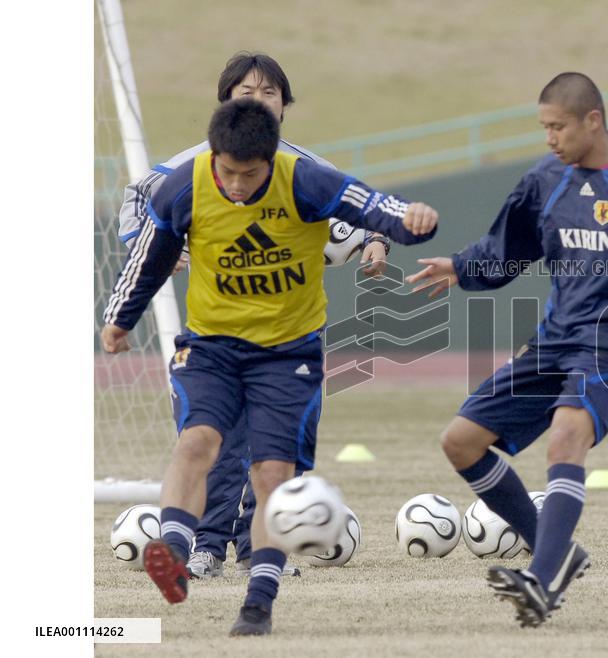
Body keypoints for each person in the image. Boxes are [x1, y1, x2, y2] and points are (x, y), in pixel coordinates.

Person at [102, 98, 438, 636]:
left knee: (272, 475)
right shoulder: (184, 186)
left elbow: (373, 206)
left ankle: (258, 602)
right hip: (211, 347)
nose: (236, 185)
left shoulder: (305, 180)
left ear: (271, 159)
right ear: (214, 156)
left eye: (249, 174)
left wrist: (411, 222)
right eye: (228, 172)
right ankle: (175, 557)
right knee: (196, 443)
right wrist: (119, 318)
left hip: (287, 354)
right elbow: (151, 255)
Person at [407, 72, 608, 627]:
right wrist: (462, 267)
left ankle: (543, 579)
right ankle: (556, 553)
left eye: (558, 127)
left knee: (565, 437)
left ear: (592, 122)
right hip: (556, 338)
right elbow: (505, 249)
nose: (549, 138)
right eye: (543, 127)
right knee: (460, 443)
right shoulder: (545, 179)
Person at [118, 52, 391, 580]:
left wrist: (375, 243)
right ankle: (205, 546)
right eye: (245, 91)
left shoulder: (304, 172)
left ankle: (260, 550)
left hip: (289, 334)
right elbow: (138, 207)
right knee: (216, 440)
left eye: (269, 92)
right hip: (217, 332)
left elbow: (358, 212)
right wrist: (157, 251)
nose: (257, 100)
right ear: (226, 102)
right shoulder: (192, 169)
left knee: (280, 450)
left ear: (284, 106)